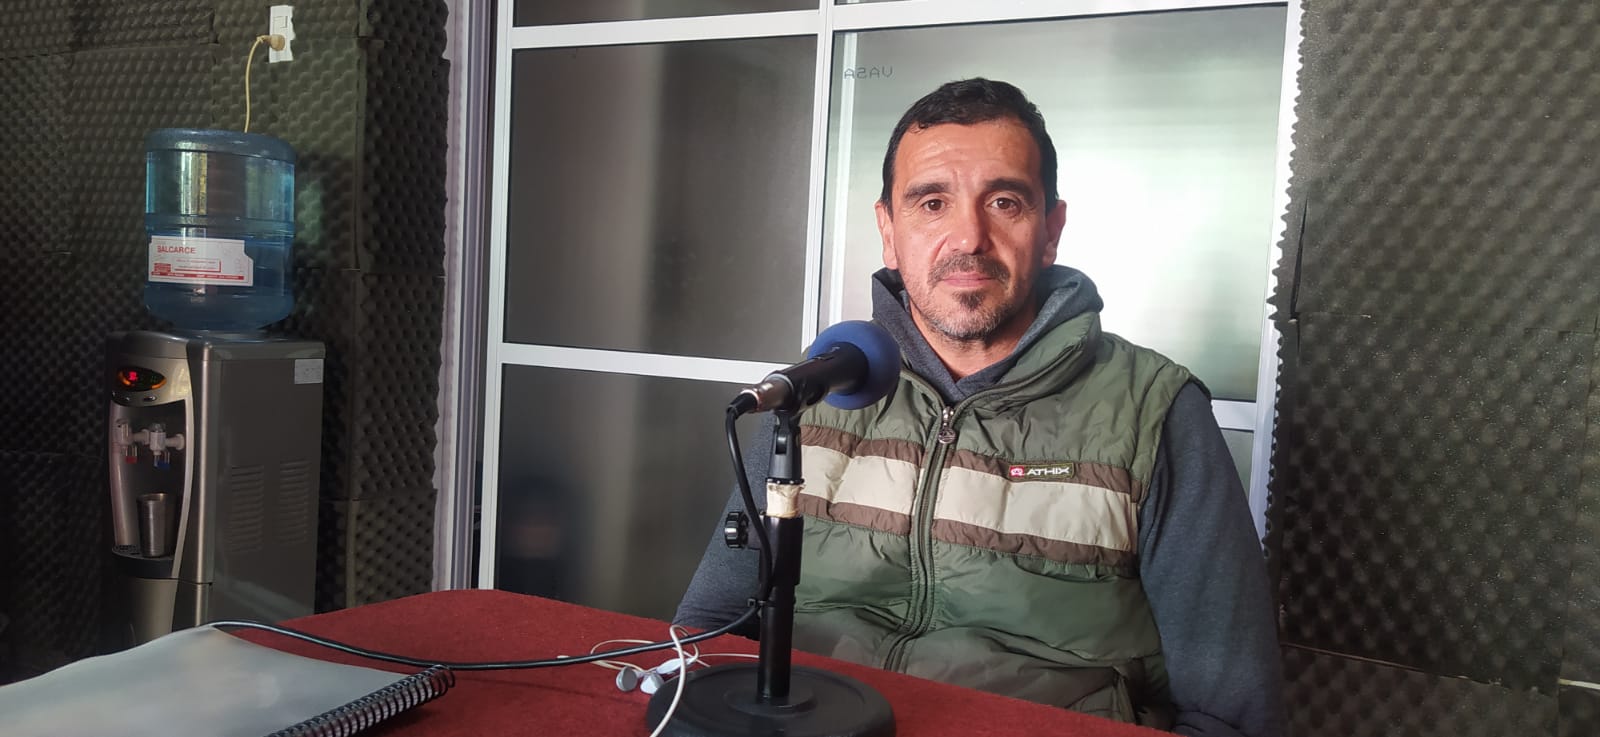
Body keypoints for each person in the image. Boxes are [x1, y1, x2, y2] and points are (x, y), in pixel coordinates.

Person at [674, 78, 1285, 737]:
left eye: (1004, 202)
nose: (968, 236)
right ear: (888, 231)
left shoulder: (1156, 411)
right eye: (932, 202)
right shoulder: (818, 391)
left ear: (1050, 230)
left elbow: (1231, 715)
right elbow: (707, 629)